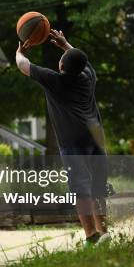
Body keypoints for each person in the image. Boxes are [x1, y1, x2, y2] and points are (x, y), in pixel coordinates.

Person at [15, 29, 110, 246]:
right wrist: (66, 43)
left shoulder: (54, 80)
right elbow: (80, 59)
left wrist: (20, 51)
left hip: (73, 142)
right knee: (97, 188)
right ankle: (104, 232)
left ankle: (90, 237)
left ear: (61, 66)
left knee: (80, 190)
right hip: (95, 139)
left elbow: (23, 65)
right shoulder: (88, 76)